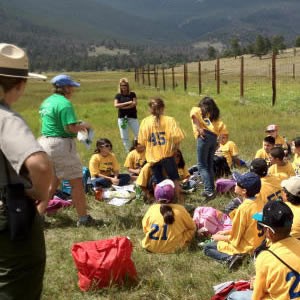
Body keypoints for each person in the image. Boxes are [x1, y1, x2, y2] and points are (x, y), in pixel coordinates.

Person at [0, 43, 53, 298]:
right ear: (20, 85)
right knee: (18, 284)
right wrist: (39, 192)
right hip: (9, 214)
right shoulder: (6, 118)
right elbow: (40, 165)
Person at [38, 74, 95, 226]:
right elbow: (70, 128)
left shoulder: (46, 102)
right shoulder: (65, 104)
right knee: (76, 182)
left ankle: (38, 216)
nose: (73, 90)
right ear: (65, 88)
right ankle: (83, 219)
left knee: (52, 182)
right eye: (71, 87)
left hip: (44, 143)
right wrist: (85, 126)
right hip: (60, 145)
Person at [228, 201, 300, 300]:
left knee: (233, 296)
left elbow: (257, 296)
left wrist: (256, 284)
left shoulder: (265, 257)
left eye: (262, 226)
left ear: (269, 232)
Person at [204, 172, 265, 269]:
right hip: (259, 243)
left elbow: (235, 239)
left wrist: (219, 237)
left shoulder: (243, 209)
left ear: (244, 191)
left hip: (248, 247)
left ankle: (231, 258)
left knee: (208, 248)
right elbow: (250, 226)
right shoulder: (260, 201)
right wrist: (226, 232)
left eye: (237, 184)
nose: (235, 184)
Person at [138, 97, 184, 201]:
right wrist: (175, 150)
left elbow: (141, 142)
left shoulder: (145, 122)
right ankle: (179, 202)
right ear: (163, 108)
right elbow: (177, 138)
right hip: (168, 156)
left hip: (153, 159)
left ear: (150, 109)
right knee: (175, 179)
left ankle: (160, 202)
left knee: (159, 183)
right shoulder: (169, 120)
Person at [141, 179, 196, 253]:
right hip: (175, 248)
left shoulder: (152, 209)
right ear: (173, 195)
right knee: (191, 230)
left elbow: (145, 228)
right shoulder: (180, 209)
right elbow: (192, 227)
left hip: (150, 247)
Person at [190, 97, 226, 201]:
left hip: (204, 136)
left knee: (202, 165)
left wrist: (199, 128)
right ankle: (212, 189)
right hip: (213, 137)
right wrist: (217, 142)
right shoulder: (213, 115)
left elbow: (194, 117)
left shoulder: (196, 109)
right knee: (209, 164)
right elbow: (218, 130)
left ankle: (209, 190)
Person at [114, 78, 139, 152]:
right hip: (122, 118)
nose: (123, 87)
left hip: (132, 117)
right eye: (122, 85)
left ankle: (137, 148)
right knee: (124, 137)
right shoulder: (118, 95)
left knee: (138, 134)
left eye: (125, 85)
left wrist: (122, 107)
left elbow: (134, 104)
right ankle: (129, 152)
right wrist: (128, 103)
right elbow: (115, 105)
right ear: (120, 86)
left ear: (128, 86)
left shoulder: (132, 94)